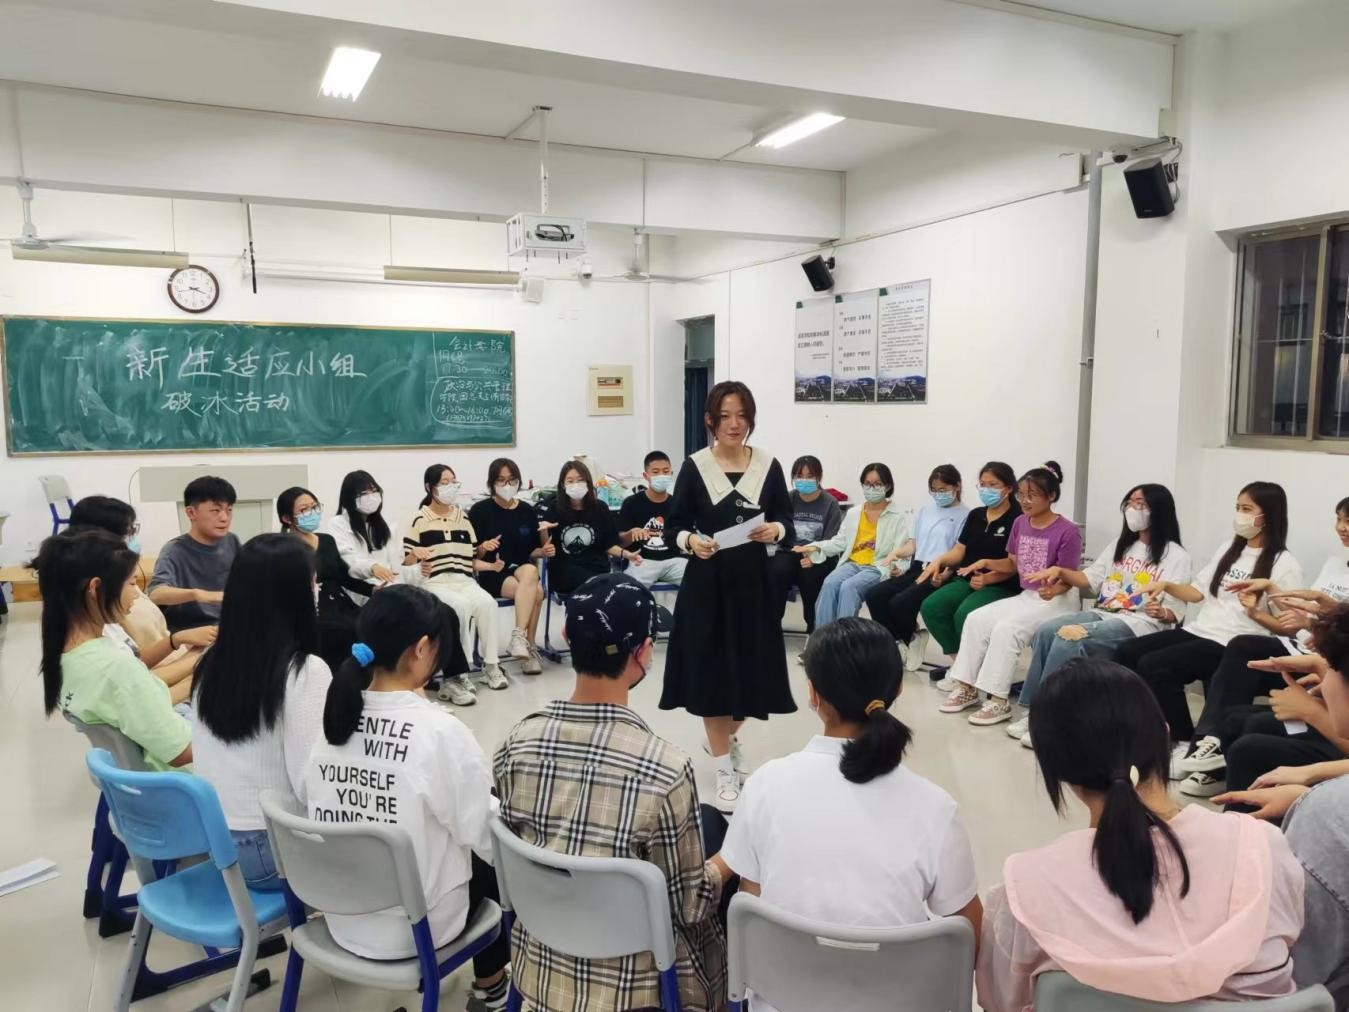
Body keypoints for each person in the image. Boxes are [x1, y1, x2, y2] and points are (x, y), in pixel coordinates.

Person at [977, 658, 1305, 1011]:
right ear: (1164, 734)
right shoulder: (1262, 848)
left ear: (1053, 766)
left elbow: (1001, 1003)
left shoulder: (1025, 893)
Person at [721, 617, 981, 1012]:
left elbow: (751, 905)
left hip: (782, 1001)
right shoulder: (935, 807)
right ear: (896, 690)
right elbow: (967, 936)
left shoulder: (765, 785)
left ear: (813, 693)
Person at [495, 573, 728, 1012]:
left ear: (567, 637)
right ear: (644, 652)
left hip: (537, 964)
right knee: (718, 837)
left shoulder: (516, 743)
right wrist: (728, 863)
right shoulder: (665, 768)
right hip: (636, 987)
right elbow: (691, 906)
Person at [307, 584, 510, 1010]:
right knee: (497, 848)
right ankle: (492, 985)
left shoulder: (333, 723)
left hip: (341, 918)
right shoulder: (440, 731)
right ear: (421, 648)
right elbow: (486, 836)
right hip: (414, 931)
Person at [661, 381, 795, 813]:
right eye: (724, 416)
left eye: (741, 415)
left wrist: (776, 530)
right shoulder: (696, 466)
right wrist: (690, 541)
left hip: (754, 586)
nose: (734, 424)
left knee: (752, 675)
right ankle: (723, 768)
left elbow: (786, 518)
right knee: (713, 677)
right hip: (708, 586)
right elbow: (673, 525)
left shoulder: (768, 465)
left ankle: (724, 737)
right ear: (710, 421)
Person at [1212, 605, 1349, 1008]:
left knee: (1253, 743)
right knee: (1245, 727)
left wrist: (1312, 715)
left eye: (1330, 670)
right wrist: (1315, 775)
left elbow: (1292, 970)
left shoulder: (1328, 813)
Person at [1113, 481, 1302, 768]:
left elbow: (1287, 627)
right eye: (1238, 507)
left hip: (1233, 641)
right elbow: (1197, 592)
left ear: (1268, 515)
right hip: (1200, 630)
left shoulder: (1284, 563)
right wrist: (1166, 585)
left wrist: (1255, 613)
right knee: (1127, 652)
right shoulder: (1229, 549)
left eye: (1247, 509)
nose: (1239, 515)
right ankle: (1143, 729)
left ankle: (1182, 739)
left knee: (1156, 666)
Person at [1173, 495, 1349, 796]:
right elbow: (1303, 616)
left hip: (1329, 665)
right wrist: (1273, 593)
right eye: (1339, 519)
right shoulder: (1335, 565)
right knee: (1235, 709)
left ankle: (1214, 753)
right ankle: (1211, 750)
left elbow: (1334, 627)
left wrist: (1314, 624)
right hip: (1308, 652)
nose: (1342, 527)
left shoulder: (1284, 560)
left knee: (1243, 650)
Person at [191, 534, 332, 888]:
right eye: (312, 583)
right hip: (271, 853)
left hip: (216, 842)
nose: (317, 591)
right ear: (293, 595)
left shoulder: (211, 661)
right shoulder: (304, 672)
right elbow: (313, 786)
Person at [1007, 484, 1191, 746]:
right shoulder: (1121, 545)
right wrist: (1059, 571)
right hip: (1103, 612)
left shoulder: (1176, 556)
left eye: (1140, 504)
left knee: (1070, 637)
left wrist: (1161, 611)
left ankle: (1052, 719)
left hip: (1138, 623)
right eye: (1130, 503)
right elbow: (1090, 579)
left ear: (1159, 510)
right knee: (1047, 631)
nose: (1133, 509)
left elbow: (1175, 611)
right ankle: (1034, 711)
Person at [939, 462, 1083, 725]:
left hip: (1058, 600)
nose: (1025, 501)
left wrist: (1054, 589)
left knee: (1007, 629)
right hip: (1028, 596)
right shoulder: (1020, 523)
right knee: (976, 619)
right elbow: (1013, 564)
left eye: (1032, 495)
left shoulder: (1068, 531)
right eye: (1022, 495)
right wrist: (986, 562)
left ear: (1051, 496)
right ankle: (967, 687)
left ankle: (998, 701)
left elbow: (1070, 577)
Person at [38, 530, 191, 770]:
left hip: (143, 773)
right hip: (179, 778)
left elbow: (140, 700)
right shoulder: (116, 667)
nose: (136, 595)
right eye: (131, 583)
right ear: (96, 588)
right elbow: (180, 752)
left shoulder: (67, 655)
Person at [67, 495, 214, 704]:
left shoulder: (105, 615)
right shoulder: (104, 619)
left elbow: (135, 661)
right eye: (129, 532)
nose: (136, 593)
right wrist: (200, 665)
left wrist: (177, 641)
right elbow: (139, 685)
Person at [405, 464, 509, 704]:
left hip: (463, 579)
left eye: (453, 481)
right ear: (429, 487)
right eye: (444, 483)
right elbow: (407, 561)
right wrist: (415, 555)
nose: (450, 487)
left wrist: (491, 566)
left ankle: (491, 666)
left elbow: (470, 560)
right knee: (459, 607)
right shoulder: (420, 519)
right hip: (435, 582)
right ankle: (460, 672)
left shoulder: (463, 518)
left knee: (488, 604)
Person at [917, 461, 1022, 674]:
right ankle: (961, 666)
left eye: (993, 484)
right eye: (982, 484)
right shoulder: (976, 515)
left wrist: (989, 578)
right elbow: (959, 551)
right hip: (967, 578)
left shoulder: (1018, 519)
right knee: (932, 606)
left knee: (965, 613)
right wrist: (940, 561)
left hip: (1000, 584)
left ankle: (972, 670)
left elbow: (1015, 564)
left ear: (1009, 488)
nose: (986, 489)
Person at [863, 464, 969, 661]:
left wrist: (945, 574)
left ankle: (907, 639)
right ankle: (897, 643)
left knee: (900, 603)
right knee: (875, 595)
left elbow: (959, 552)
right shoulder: (925, 510)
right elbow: (913, 544)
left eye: (943, 490)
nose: (938, 494)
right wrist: (897, 553)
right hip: (918, 565)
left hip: (941, 570)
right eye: (934, 490)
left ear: (957, 487)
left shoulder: (966, 515)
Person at [797, 463, 909, 629]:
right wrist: (816, 547)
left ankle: (846, 639)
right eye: (867, 484)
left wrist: (899, 567)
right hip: (852, 563)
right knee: (829, 583)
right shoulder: (854, 513)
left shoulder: (897, 516)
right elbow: (840, 541)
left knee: (849, 588)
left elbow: (903, 550)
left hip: (877, 566)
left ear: (888, 486)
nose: (872, 488)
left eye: (877, 484)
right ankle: (822, 636)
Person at [467, 458, 546, 675]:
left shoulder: (527, 510)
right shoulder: (480, 511)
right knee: (537, 592)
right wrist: (483, 547)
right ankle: (528, 647)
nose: (507, 485)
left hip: (521, 570)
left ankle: (519, 639)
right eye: (501, 480)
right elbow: (471, 554)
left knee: (531, 571)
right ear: (492, 483)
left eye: (512, 480)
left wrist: (544, 550)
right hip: (493, 571)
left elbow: (532, 550)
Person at [277, 486, 368, 674]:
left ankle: (359, 679)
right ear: (286, 518)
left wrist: (373, 590)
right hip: (311, 607)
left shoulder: (326, 540)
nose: (312, 513)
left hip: (340, 602)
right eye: (304, 510)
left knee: (369, 623)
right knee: (338, 632)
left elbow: (343, 576)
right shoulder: (283, 548)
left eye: (314, 507)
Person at [147, 475, 241, 632]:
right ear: (191, 513)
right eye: (216, 510)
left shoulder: (232, 541)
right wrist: (198, 595)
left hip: (230, 625)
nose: (224, 518)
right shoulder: (174, 550)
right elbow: (156, 594)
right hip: (193, 631)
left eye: (229, 510)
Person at [767, 455, 843, 634]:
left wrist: (814, 556)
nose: (804, 480)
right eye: (799, 476)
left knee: (809, 577)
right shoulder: (789, 498)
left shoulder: (830, 503)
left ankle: (813, 628)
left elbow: (832, 539)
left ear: (819, 477)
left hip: (819, 552)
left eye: (810, 476)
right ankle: (772, 626)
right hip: (790, 550)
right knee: (777, 571)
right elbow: (780, 528)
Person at [538, 460, 631, 594]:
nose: (575, 484)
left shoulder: (600, 508)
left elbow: (609, 545)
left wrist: (627, 554)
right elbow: (546, 546)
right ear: (563, 485)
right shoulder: (555, 508)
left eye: (580, 480)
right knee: (593, 584)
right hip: (565, 569)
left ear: (588, 482)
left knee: (612, 583)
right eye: (570, 481)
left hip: (596, 567)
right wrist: (543, 531)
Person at [329, 469, 422, 602]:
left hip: (391, 586)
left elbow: (397, 567)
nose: (371, 496)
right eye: (363, 493)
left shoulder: (387, 524)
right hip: (361, 589)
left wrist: (419, 570)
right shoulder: (338, 523)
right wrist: (372, 568)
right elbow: (349, 560)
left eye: (374, 491)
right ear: (349, 498)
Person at [618, 450, 689, 590]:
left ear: (671, 474)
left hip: (675, 561)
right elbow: (620, 541)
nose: (661, 476)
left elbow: (686, 536)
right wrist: (630, 534)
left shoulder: (678, 504)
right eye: (655, 472)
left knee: (700, 581)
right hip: (642, 561)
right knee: (627, 590)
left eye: (665, 471)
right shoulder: (631, 503)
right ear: (646, 476)